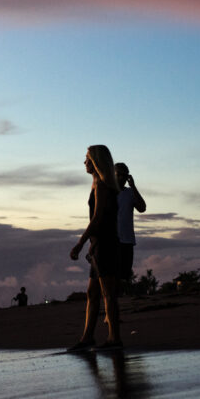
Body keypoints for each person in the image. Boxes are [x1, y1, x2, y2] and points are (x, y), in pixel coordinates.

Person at [69, 145, 122, 350]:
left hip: (106, 244)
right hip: (100, 244)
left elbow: (98, 218)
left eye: (88, 159)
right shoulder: (98, 184)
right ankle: (87, 338)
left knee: (108, 293)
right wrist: (92, 244)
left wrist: (80, 243)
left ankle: (114, 339)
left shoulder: (102, 185)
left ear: (96, 162)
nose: (84, 162)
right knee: (92, 293)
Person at [114, 162, 147, 293]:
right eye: (119, 174)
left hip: (127, 240)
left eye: (125, 175)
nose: (122, 177)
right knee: (112, 275)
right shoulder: (107, 192)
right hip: (112, 240)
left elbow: (142, 208)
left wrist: (133, 186)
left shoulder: (130, 193)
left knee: (124, 276)